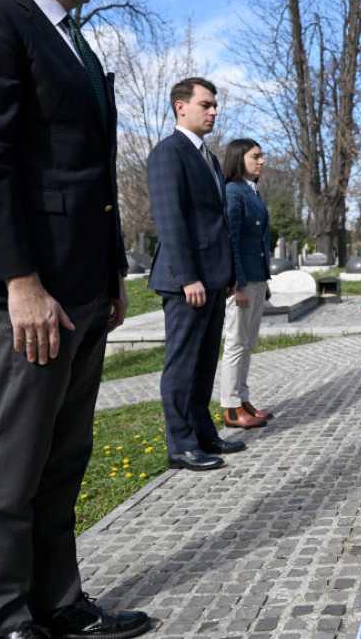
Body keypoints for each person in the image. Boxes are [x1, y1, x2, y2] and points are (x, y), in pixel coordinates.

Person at [0, 0, 151, 638]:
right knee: (14, 471)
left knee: (65, 460)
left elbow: (90, 174)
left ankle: (59, 603)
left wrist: (111, 275)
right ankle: (9, 619)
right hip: (30, 293)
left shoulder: (74, 40)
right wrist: (19, 281)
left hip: (80, 289)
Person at [147, 78, 244, 471]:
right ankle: (180, 445)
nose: (214, 111)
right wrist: (188, 277)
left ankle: (204, 434)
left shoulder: (210, 158)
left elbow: (217, 221)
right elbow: (170, 222)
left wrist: (230, 273)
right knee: (183, 364)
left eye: (214, 105)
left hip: (213, 278)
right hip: (187, 282)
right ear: (180, 107)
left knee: (205, 363)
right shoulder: (168, 154)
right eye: (205, 104)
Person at [220, 138, 275, 428]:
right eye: (255, 156)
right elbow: (233, 242)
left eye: (261, 156)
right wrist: (238, 283)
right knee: (236, 343)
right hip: (241, 284)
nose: (261, 161)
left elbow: (260, 242)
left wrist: (263, 279)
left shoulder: (253, 191)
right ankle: (230, 407)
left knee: (248, 343)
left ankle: (242, 399)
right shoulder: (233, 192)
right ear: (239, 159)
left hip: (255, 279)